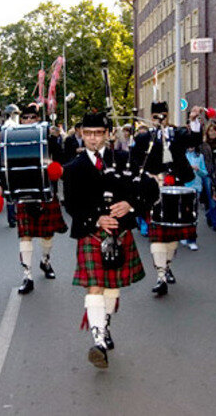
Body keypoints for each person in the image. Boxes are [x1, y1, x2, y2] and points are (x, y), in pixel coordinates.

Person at [62, 110, 152, 369]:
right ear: (81, 134)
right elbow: (72, 206)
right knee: (95, 287)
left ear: (107, 134)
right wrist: (96, 219)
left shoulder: (123, 159)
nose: (93, 138)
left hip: (120, 233)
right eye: (88, 133)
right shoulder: (73, 168)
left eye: (98, 133)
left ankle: (105, 324)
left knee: (112, 288)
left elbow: (148, 187)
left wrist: (130, 204)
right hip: (92, 233)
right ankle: (99, 341)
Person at [0, 104, 68, 295]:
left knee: (47, 234)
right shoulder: (11, 138)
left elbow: (61, 159)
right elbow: (4, 164)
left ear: (37, 119)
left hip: (44, 190)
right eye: (24, 118)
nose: (28, 121)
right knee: (24, 235)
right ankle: (27, 275)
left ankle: (45, 261)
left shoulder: (47, 137)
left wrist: (55, 156)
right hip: (23, 192)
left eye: (31, 117)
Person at [130, 101, 195, 296]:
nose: (160, 120)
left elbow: (194, 139)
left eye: (163, 116)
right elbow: (132, 161)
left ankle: (166, 267)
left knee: (172, 236)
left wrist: (193, 122)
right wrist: (146, 176)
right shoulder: (143, 138)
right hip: (153, 191)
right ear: (151, 118)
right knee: (157, 235)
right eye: (157, 117)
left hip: (175, 188)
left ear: (168, 116)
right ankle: (160, 277)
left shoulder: (178, 135)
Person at [180, 144, 207, 251]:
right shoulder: (181, 155)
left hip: (195, 188)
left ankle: (191, 240)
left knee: (193, 214)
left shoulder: (199, 156)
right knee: (183, 213)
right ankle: (183, 234)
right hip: (183, 187)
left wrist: (198, 170)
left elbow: (204, 173)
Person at [200, 122, 216, 232]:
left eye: (215, 130)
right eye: (210, 130)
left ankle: (209, 215)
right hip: (208, 174)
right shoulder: (204, 145)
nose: (213, 132)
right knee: (212, 198)